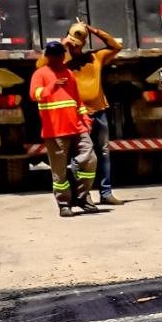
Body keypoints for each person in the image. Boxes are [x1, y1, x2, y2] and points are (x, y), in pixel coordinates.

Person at [30, 41, 98, 218]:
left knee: (90, 159)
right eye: (53, 55)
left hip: (77, 127)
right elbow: (35, 94)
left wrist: (85, 120)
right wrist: (52, 87)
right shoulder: (40, 74)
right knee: (59, 171)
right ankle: (64, 203)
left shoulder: (69, 73)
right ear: (47, 56)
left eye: (59, 55)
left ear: (63, 56)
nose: (57, 58)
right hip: (55, 131)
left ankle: (82, 197)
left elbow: (77, 101)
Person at [60, 23, 124, 204]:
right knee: (81, 155)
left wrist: (94, 30)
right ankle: (83, 194)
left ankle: (106, 193)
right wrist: (63, 45)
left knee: (103, 152)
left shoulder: (95, 57)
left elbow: (116, 46)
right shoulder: (63, 63)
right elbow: (42, 65)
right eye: (72, 43)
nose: (75, 47)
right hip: (79, 115)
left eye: (78, 43)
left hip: (100, 111)